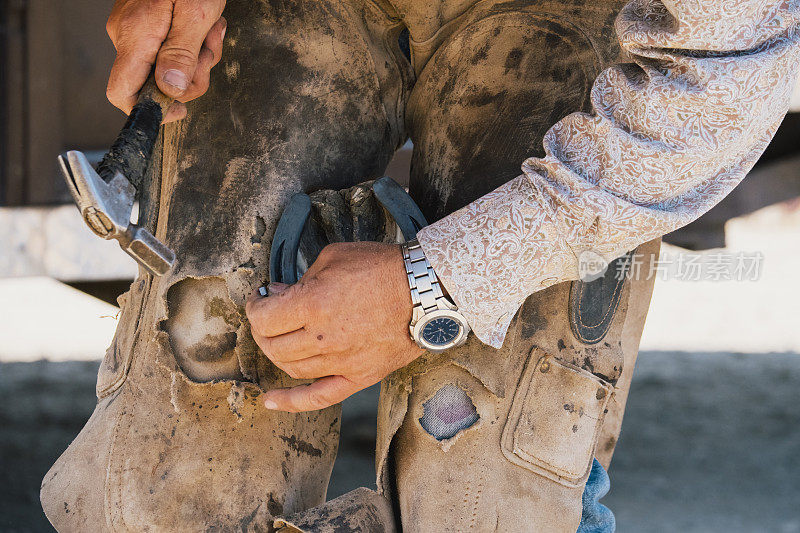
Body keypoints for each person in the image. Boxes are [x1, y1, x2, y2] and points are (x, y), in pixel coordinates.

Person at [41, 0, 800, 531]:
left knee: (484, 489)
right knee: (172, 462)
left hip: (562, 14)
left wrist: (441, 284)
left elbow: (722, 80)